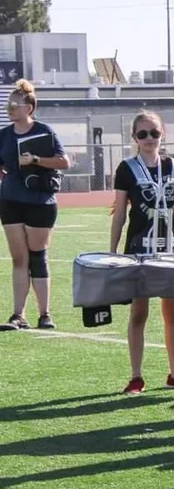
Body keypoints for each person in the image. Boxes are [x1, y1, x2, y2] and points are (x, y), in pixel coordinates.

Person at [110, 111, 174, 394]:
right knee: (139, 313)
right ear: (134, 138)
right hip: (139, 250)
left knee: (172, 313)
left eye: (154, 133)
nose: (149, 138)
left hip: (169, 250)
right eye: (143, 134)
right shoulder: (126, 168)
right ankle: (136, 376)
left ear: (162, 134)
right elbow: (119, 214)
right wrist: (112, 251)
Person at [0, 80, 69, 332]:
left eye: (15, 104)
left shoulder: (45, 131)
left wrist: (36, 159)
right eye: (9, 103)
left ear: (29, 107)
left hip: (40, 201)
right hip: (10, 201)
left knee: (38, 257)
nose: (10, 108)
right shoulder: (4, 135)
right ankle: (18, 315)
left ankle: (45, 314)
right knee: (19, 259)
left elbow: (64, 162)